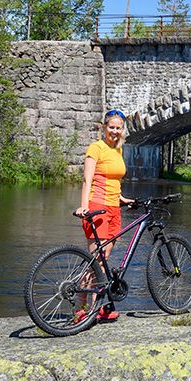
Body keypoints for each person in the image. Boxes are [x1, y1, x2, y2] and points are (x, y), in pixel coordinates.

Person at [75, 109, 135, 322]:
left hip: (114, 208)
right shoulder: (96, 148)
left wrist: (121, 197)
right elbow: (87, 180)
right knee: (95, 261)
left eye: (118, 128)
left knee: (104, 259)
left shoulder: (118, 150)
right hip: (96, 206)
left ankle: (97, 307)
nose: (115, 131)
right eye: (111, 127)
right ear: (104, 128)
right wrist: (84, 207)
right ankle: (82, 309)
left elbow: (114, 180)